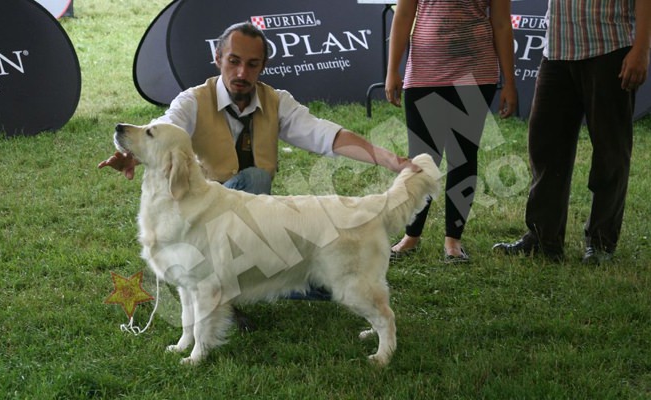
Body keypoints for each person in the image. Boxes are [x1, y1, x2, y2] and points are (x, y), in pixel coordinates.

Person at [99, 22, 416, 310]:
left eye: (252, 65)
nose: (241, 73)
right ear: (218, 59)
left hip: (253, 223)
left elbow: (325, 135)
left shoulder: (277, 102)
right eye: (233, 61)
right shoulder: (192, 101)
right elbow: (165, 128)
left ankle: (243, 282)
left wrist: (390, 159)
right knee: (254, 178)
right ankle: (221, 282)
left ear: (263, 66)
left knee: (325, 281)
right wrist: (135, 154)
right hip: (204, 220)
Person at [493, 0, 650, 265]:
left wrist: (642, 49)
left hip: (609, 47)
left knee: (610, 151)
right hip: (557, 50)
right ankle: (544, 238)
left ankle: (601, 243)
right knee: (544, 148)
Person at [385, 0, 517, 263]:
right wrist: (392, 71)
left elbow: (502, 24)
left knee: (463, 156)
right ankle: (411, 236)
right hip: (423, 75)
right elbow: (403, 15)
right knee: (422, 160)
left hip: (476, 75)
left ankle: (453, 241)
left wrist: (510, 82)